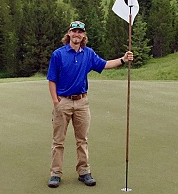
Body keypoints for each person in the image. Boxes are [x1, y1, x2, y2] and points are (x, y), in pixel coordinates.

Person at [46, 20, 133, 188]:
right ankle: (55, 173)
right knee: (58, 141)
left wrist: (123, 59)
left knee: (82, 139)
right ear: (69, 34)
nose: (77, 34)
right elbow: (51, 80)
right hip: (63, 101)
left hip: (81, 102)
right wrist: (56, 102)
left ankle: (84, 172)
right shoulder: (58, 54)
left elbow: (105, 64)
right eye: (74, 31)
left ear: (83, 35)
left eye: (80, 32)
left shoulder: (88, 54)